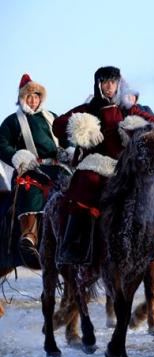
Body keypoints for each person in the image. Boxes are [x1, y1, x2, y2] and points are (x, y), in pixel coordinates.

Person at [52, 66, 154, 264]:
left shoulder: (127, 108)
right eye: (105, 82)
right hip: (96, 164)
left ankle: (146, 243)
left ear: (118, 84)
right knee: (86, 182)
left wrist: (136, 127)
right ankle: (74, 245)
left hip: (123, 166)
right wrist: (82, 127)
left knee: (147, 190)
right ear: (99, 84)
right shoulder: (90, 108)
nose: (109, 86)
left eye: (112, 82)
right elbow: (58, 124)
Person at [0, 74, 71, 269]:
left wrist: (69, 150)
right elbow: (2, 144)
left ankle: (76, 235)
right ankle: (29, 236)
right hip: (29, 169)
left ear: (41, 98)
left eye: (36, 96)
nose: (33, 100)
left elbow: (65, 139)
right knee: (30, 190)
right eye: (29, 96)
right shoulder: (12, 121)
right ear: (22, 98)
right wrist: (17, 156)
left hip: (57, 168)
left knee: (76, 191)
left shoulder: (52, 117)